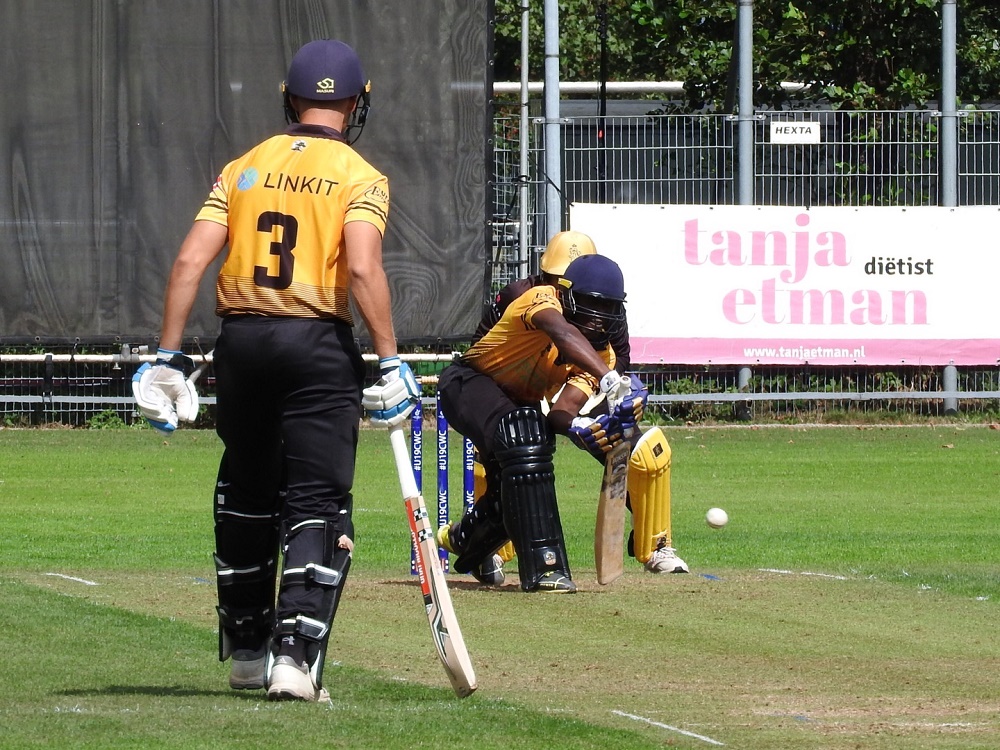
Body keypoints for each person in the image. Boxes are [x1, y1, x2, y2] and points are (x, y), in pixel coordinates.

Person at [131, 39, 418, 702]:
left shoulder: (243, 167)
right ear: (354, 103)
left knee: (249, 490)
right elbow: (365, 267)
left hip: (242, 344)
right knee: (317, 499)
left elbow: (186, 264)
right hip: (314, 343)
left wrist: (169, 357)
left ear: (291, 98)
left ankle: (246, 652)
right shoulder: (360, 176)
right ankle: (295, 660)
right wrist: (390, 358)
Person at [464, 232, 686, 584]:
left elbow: (617, 357)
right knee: (502, 459)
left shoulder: (604, 305)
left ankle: (656, 544)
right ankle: (491, 551)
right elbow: (484, 350)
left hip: (582, 382)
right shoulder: (517, 297)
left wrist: (616, 397)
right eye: (557, 281)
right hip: (518, 386)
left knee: (647, 455)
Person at [434, 253, 647, 593]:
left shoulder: (601, 354)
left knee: (516, 487)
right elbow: (560, 331)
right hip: (468, 384)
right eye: (593, 304)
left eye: (609, 308)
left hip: (518, 408)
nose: (600, 318)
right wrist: (609, 379)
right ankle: (547, 569)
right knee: (525, 433)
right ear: (568, 294)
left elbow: (562, 410)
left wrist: (579, 428)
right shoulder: (542, 298)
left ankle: (464, 539)